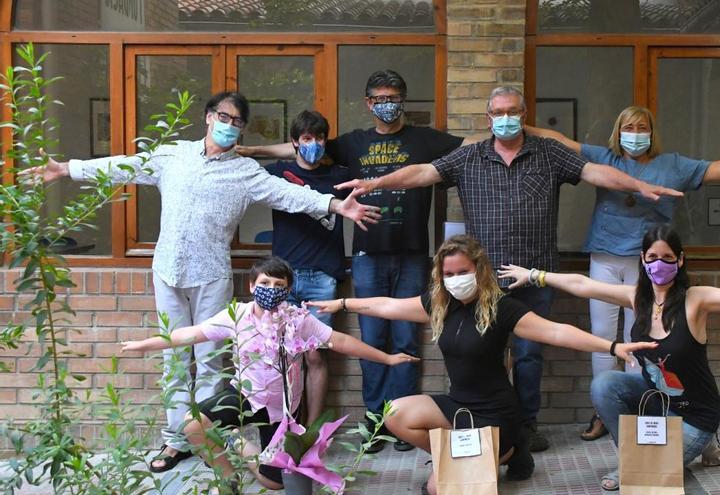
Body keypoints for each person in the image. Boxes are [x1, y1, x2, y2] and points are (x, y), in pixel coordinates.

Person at [19, 91, 381, 473]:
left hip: (211, 276)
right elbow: (126, 166)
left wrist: (337, 205)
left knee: (210, 361)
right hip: (167, 272)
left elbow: (291, 194)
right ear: (209, 117)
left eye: (237, 122)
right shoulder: (173, 155)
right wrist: (66, 169)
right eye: (224, 117)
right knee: (173, 360)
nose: (228, 126)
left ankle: (213, 441)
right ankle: (177, 441)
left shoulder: (245, 172)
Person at [335, 86, 683, 452]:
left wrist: (640, 185)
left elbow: (597, 172)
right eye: (498, 112)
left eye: (512, 111)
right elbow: (421, 173)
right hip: (483, 281)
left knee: (530, 353)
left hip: (535, 274)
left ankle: (524, 425)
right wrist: (375, 182)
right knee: (485, 354)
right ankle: (487, 425)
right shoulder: (468, 157)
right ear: (488, 119)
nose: (506, 118)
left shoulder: (548, 153)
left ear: (524, 113)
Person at [497, 224, 720, 492]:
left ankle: (703, 441)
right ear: (642, 260)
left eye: (667, 258)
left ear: (680, 260)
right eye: (652, 258)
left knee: (661, 472)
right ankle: (631, 457)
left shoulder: (696, 299)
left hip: (694, 412)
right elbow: (583, 285)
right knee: (606, 384)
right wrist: (534, 275)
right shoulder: (636, 297)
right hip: (655, 398)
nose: (659, 265)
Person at [526, 105, 720, 442]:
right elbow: (560, 141)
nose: (636, 133)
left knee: (638, 340)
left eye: (642, 127)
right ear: (618, 130)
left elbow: (718, 168)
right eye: (629, 126)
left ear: (652, 132)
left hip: (649, 267)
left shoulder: (673, 165)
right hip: (604, 256)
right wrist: (516, 125)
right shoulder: (605, 157)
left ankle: (642, 409)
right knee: (602, 336)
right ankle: (602, 413)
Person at [239, 70, 478, 453]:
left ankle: (401, 420)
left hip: (414, 254)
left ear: (403, 99)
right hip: (367, 256)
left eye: (394, 96)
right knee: (372, 339)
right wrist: (252, 151)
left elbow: (473, 146)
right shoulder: (352, 145)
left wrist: (517, 128)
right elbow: (301, 148)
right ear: (368, 103)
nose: (387, 103)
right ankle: (376, 422)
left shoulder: (425, 139)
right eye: (379, 97)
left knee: (405, 336)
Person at [307, 235, 658, 495]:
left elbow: (556, 332)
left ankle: (508, 449)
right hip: (458, 405)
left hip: (495, 415)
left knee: (437, 490)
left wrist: (613, 345)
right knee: (394, 413)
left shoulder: (502, 308)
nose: (456, 278)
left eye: (463, 271)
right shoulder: (439, 304)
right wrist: (342, 303)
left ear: (479, 269)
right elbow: (387, 306)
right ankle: (460, 456)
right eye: (448, 272)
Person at [120, 257, 417, 493]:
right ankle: (227, 477)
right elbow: (190, 334)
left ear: (287, 290)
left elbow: (340, 341)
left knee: (273, 483)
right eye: (265, 282)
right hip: (246, 395)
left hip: (282, 409)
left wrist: (388, 358)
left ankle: (238, 442)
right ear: (252, 286)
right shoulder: (235, 315)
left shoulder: (298, 320)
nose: (271, 288)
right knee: (192, 426)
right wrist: (145, 344)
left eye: (278, 284)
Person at [264, 110, 352, 424]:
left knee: (316, 354)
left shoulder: (341, 177)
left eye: (319, 138)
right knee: (284, 356)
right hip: (283, 280)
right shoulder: (277, 173)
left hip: (323, 279)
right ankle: (287, 426)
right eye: (306, 138)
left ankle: (313, 431)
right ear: (295, 142)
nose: (313, 144)